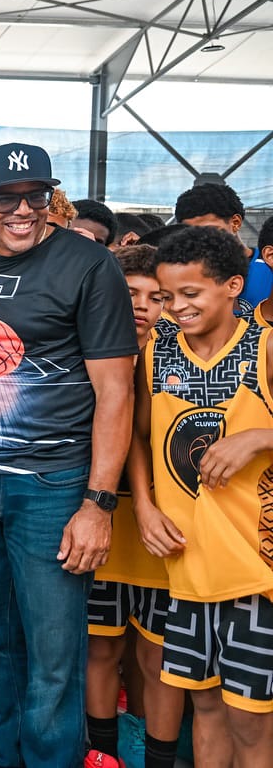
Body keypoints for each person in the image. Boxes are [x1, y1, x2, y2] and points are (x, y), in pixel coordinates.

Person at [0, 142, 137, 768]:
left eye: (37, 197)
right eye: (6, 198)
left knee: (54, 650)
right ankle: (0, 757)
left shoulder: (88, 264)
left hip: (51, 486)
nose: (23, 210)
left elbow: (116, 390)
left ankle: (51, 761)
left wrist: (98, 502)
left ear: (52, 199)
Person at [126, 227, 273, 767]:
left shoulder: (265, 345)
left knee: (251, 721)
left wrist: (259, 436)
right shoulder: (158, 347)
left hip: (254, 569)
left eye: (191, 294)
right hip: (185, 566)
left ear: (235, 285)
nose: (175, 307)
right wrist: (143, 504)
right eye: (166, 296)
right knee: (206, 705)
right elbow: (138, 437)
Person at [82, 244, 183, 768]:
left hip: (160, 529)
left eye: (156, 297)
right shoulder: (84, 349)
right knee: (100, 649)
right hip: (100, 524)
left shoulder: (178, 359)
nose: (142, 306)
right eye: (131, 294)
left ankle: (155, 752)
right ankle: (102, 753)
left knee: (158, 655)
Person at [175, 181, 272, 307]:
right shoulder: (181, 273)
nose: (201, 239)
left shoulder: (268, 267)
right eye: (191, 233)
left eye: (209, 230)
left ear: (235, 222)